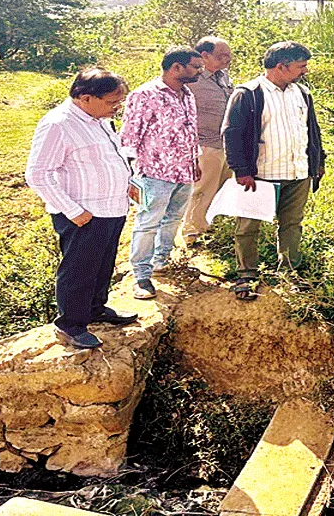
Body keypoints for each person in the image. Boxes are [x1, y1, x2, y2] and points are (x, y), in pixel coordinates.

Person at [25, 68, 140, 350]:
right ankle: (71, 325)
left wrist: (128, 181)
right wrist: (73, 211)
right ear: (85, 97)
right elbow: (37, 173)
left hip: (112, 208)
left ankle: (96, 309)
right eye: (112, 101)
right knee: (80, 270)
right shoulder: (58, 124)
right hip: (83, 215)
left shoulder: (98, 118)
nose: (117, 107)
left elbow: (109, 156)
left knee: (103, 265)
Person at [222, 40, 325, 301]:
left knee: (291, 224)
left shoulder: (301, 93)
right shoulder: (249, 94)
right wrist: (241, 170)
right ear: (282, 66)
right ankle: (246, 274)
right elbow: (232, 134)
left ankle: (289, 273)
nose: (305, 71)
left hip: (297, 172)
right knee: (248, 226)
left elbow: (312, 131)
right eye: (301, 66)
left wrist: (318, 162)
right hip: (260, 175)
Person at [120, 47, 205, 300]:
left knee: (173, 219)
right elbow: (129, 137)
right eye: (196, 67)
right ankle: (141, 276)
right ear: (176, 67)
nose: (200, 71)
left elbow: (191, 131)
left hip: (184, 171)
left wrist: (195, 161)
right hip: (154, 172)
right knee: (148, 223)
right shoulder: (145, 95)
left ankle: (161, 261)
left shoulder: (187, 94)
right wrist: (130, 174)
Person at [180, 36, 234, 245]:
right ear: (204, 56)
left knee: (221, 188)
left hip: (225, 143)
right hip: (204, 144)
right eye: (222, 56)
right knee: (202, 190)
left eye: (229, 56)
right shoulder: (193, 79)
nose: (227, 60)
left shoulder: (223, 76)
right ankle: (191, 232)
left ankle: (209, 227)